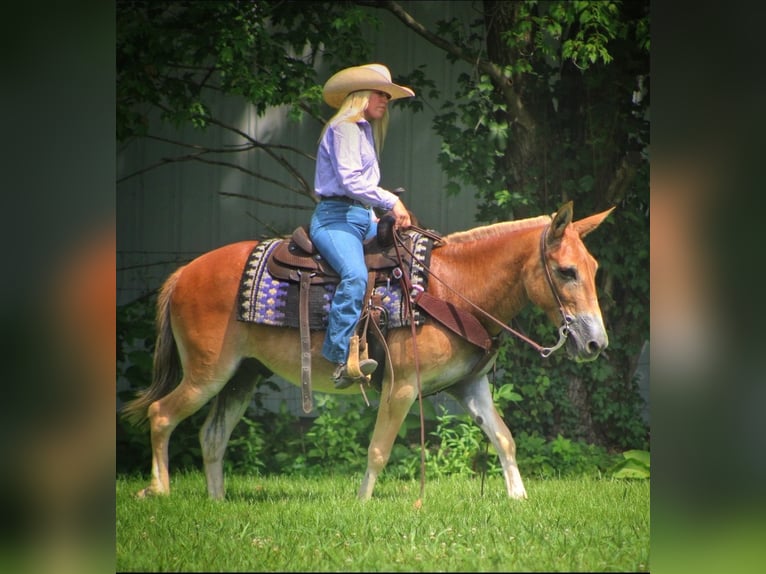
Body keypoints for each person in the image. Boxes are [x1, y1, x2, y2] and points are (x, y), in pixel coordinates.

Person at [310, 63, 415, 389]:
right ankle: (340, 358)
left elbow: (362, 194)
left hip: (360, 218)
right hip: (334, 220)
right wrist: (391, 202)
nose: (385, 100)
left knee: (411, 252)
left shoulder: (364, 131)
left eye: (387, 95)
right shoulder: (344, 128)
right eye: (379, 93)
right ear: (360, 96)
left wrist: (382, 217)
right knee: (355, 276)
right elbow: (351, 181)